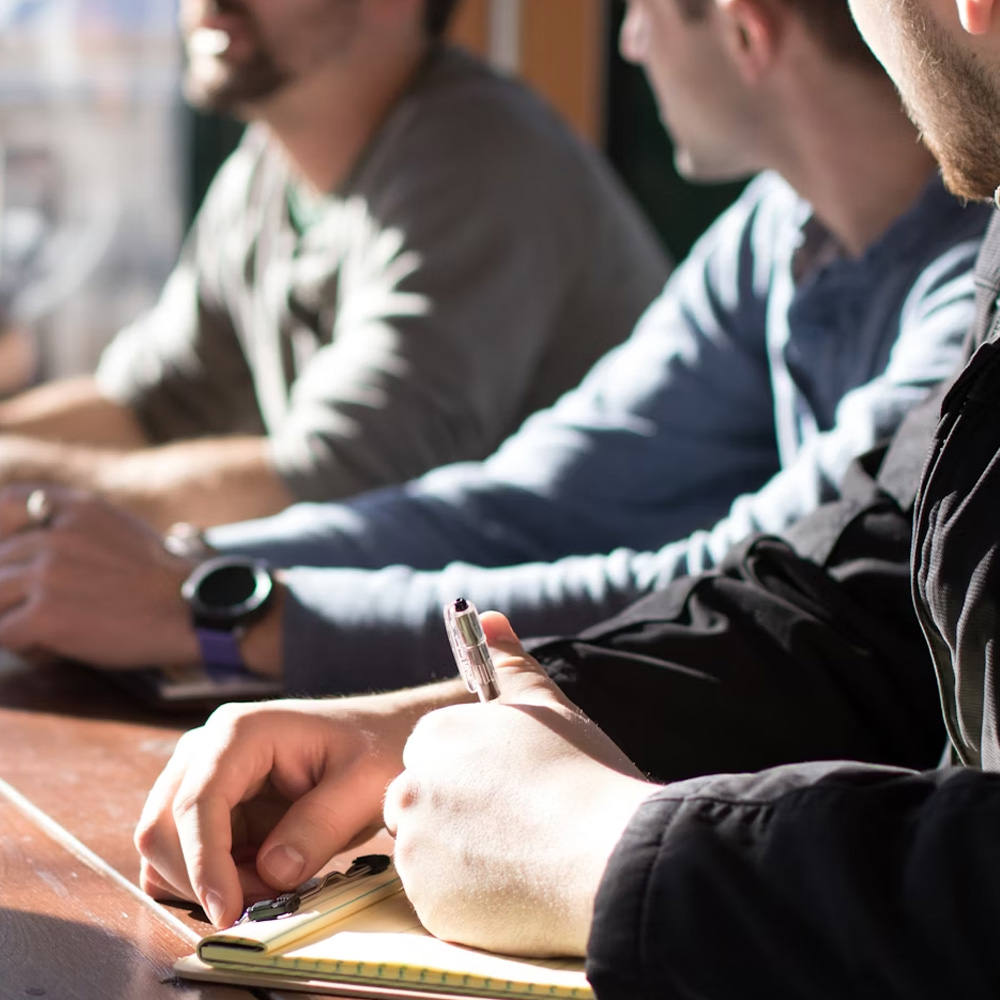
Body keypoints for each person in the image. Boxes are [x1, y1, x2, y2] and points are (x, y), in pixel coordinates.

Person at [138, 0, 1000, 994]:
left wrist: (613, 846)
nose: (626, 43)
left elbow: (359, 458)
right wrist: (470, 724)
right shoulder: (805, 233)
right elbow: (858, 597)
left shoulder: (479, 154)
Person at [0, 0, 988, 685]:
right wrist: (194, 563)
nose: (630, 46)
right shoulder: (777, 229)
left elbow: (742, 589)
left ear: (744, 26)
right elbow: (536, 498)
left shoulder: (968, 293)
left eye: (634, 10)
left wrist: (223, 609)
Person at [0, 0, 666, 531]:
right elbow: (150, 405)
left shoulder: (481, 161)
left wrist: (26, 485)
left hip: (567, 663)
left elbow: (338, 485)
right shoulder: (266, 169)